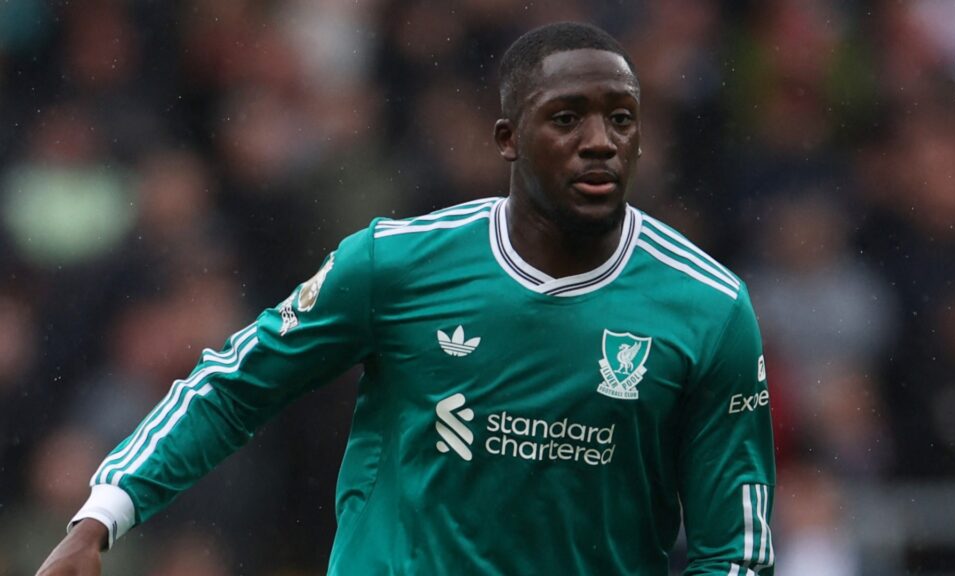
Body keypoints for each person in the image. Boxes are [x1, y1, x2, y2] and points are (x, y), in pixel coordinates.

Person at [38, 22, 775, 575]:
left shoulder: (708, 307)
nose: (600, 142)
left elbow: (735, 547)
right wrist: (103, 514)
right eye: (566, 117)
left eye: (621, 119)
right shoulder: (395, 263)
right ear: (507, 138)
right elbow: (235, 386)